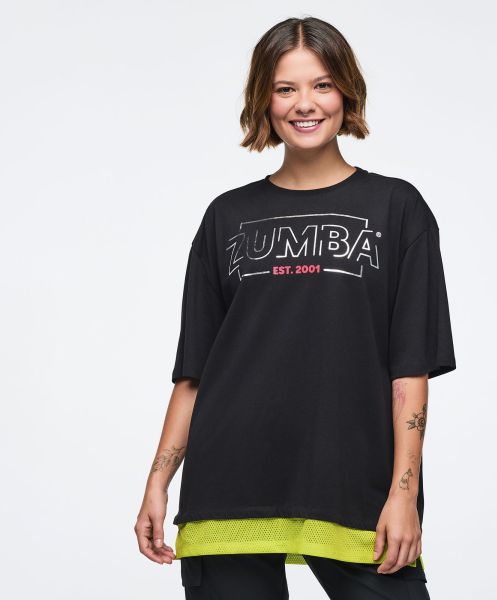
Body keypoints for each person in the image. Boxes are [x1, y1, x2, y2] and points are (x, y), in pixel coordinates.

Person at [134, 16, 456, 600]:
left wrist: (404, 493)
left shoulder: (397, 208)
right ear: (265, 99)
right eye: (286, 88)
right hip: (228, 489)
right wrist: (158, 482)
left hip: (353, 486)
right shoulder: (226, 216)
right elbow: (195, 372)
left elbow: (409, 369)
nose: (305, 104)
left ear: (346, 92)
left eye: (322, 85)